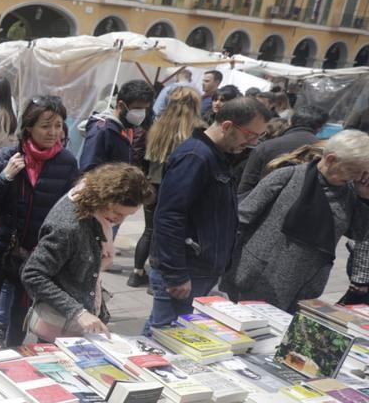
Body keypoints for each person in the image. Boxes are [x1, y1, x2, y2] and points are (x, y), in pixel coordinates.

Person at [147, 96, 271, 331]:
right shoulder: (195, 156)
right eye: (250, 135)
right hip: (186, 267)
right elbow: (169, 216)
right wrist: (176, 274)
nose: (254, 142)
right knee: (163, 332)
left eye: (259, 136)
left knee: (172, 330)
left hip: (200, 266)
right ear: (227, 126)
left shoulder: (216, 154)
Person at [0, 96, 81, 347]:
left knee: (20, 315)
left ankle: (12, 359)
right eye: (45, 126)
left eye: (58, 125)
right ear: (29, 127)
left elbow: (69, 209)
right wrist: (4, 178)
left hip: (36, 253)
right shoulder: (8, 156)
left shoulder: (67, 162)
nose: (53, 132)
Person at [230, 130, 369, 312]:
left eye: (363, 172)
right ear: (331, 159)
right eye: (353, 170)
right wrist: (226, 264)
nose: (358, 177)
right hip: (258, 276)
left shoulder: (350, 194)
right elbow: (242, 218)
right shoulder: (287, 177)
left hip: (305, 285)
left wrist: (364, 197)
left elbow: (360, 233)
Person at [22, 163, 153, 340]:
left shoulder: (93, 211)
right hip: (59, 327)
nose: (119, 220)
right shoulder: (68, 226)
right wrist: (77, 312)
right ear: (104, 197)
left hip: (81, 321)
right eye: (117, 213)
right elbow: (32, 274)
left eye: (127, 216)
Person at [129, 87, 202, 287]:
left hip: (152, 184)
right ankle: (155, 279)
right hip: (176, 187)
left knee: (149, 230)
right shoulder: (194, 131)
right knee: (166, 233)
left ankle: (136, 273)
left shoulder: (157, 126)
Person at [237, 105, 329, 195]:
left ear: (290, 122)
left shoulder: (265, 146)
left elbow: (246, 187)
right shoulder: (324, 151)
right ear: (321, 127)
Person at [78, 80, 156, 173]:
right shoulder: (103, 131)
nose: (141, 114)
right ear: (120, 105)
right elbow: (88, 169)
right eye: (137, 108)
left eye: (145, 109)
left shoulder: (126, 128)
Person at [154, 69, 222, 116]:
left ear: (217, 82)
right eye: (203, 80)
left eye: (207, 81)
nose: (202, 83)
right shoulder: (201, 96)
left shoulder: (214, 101)